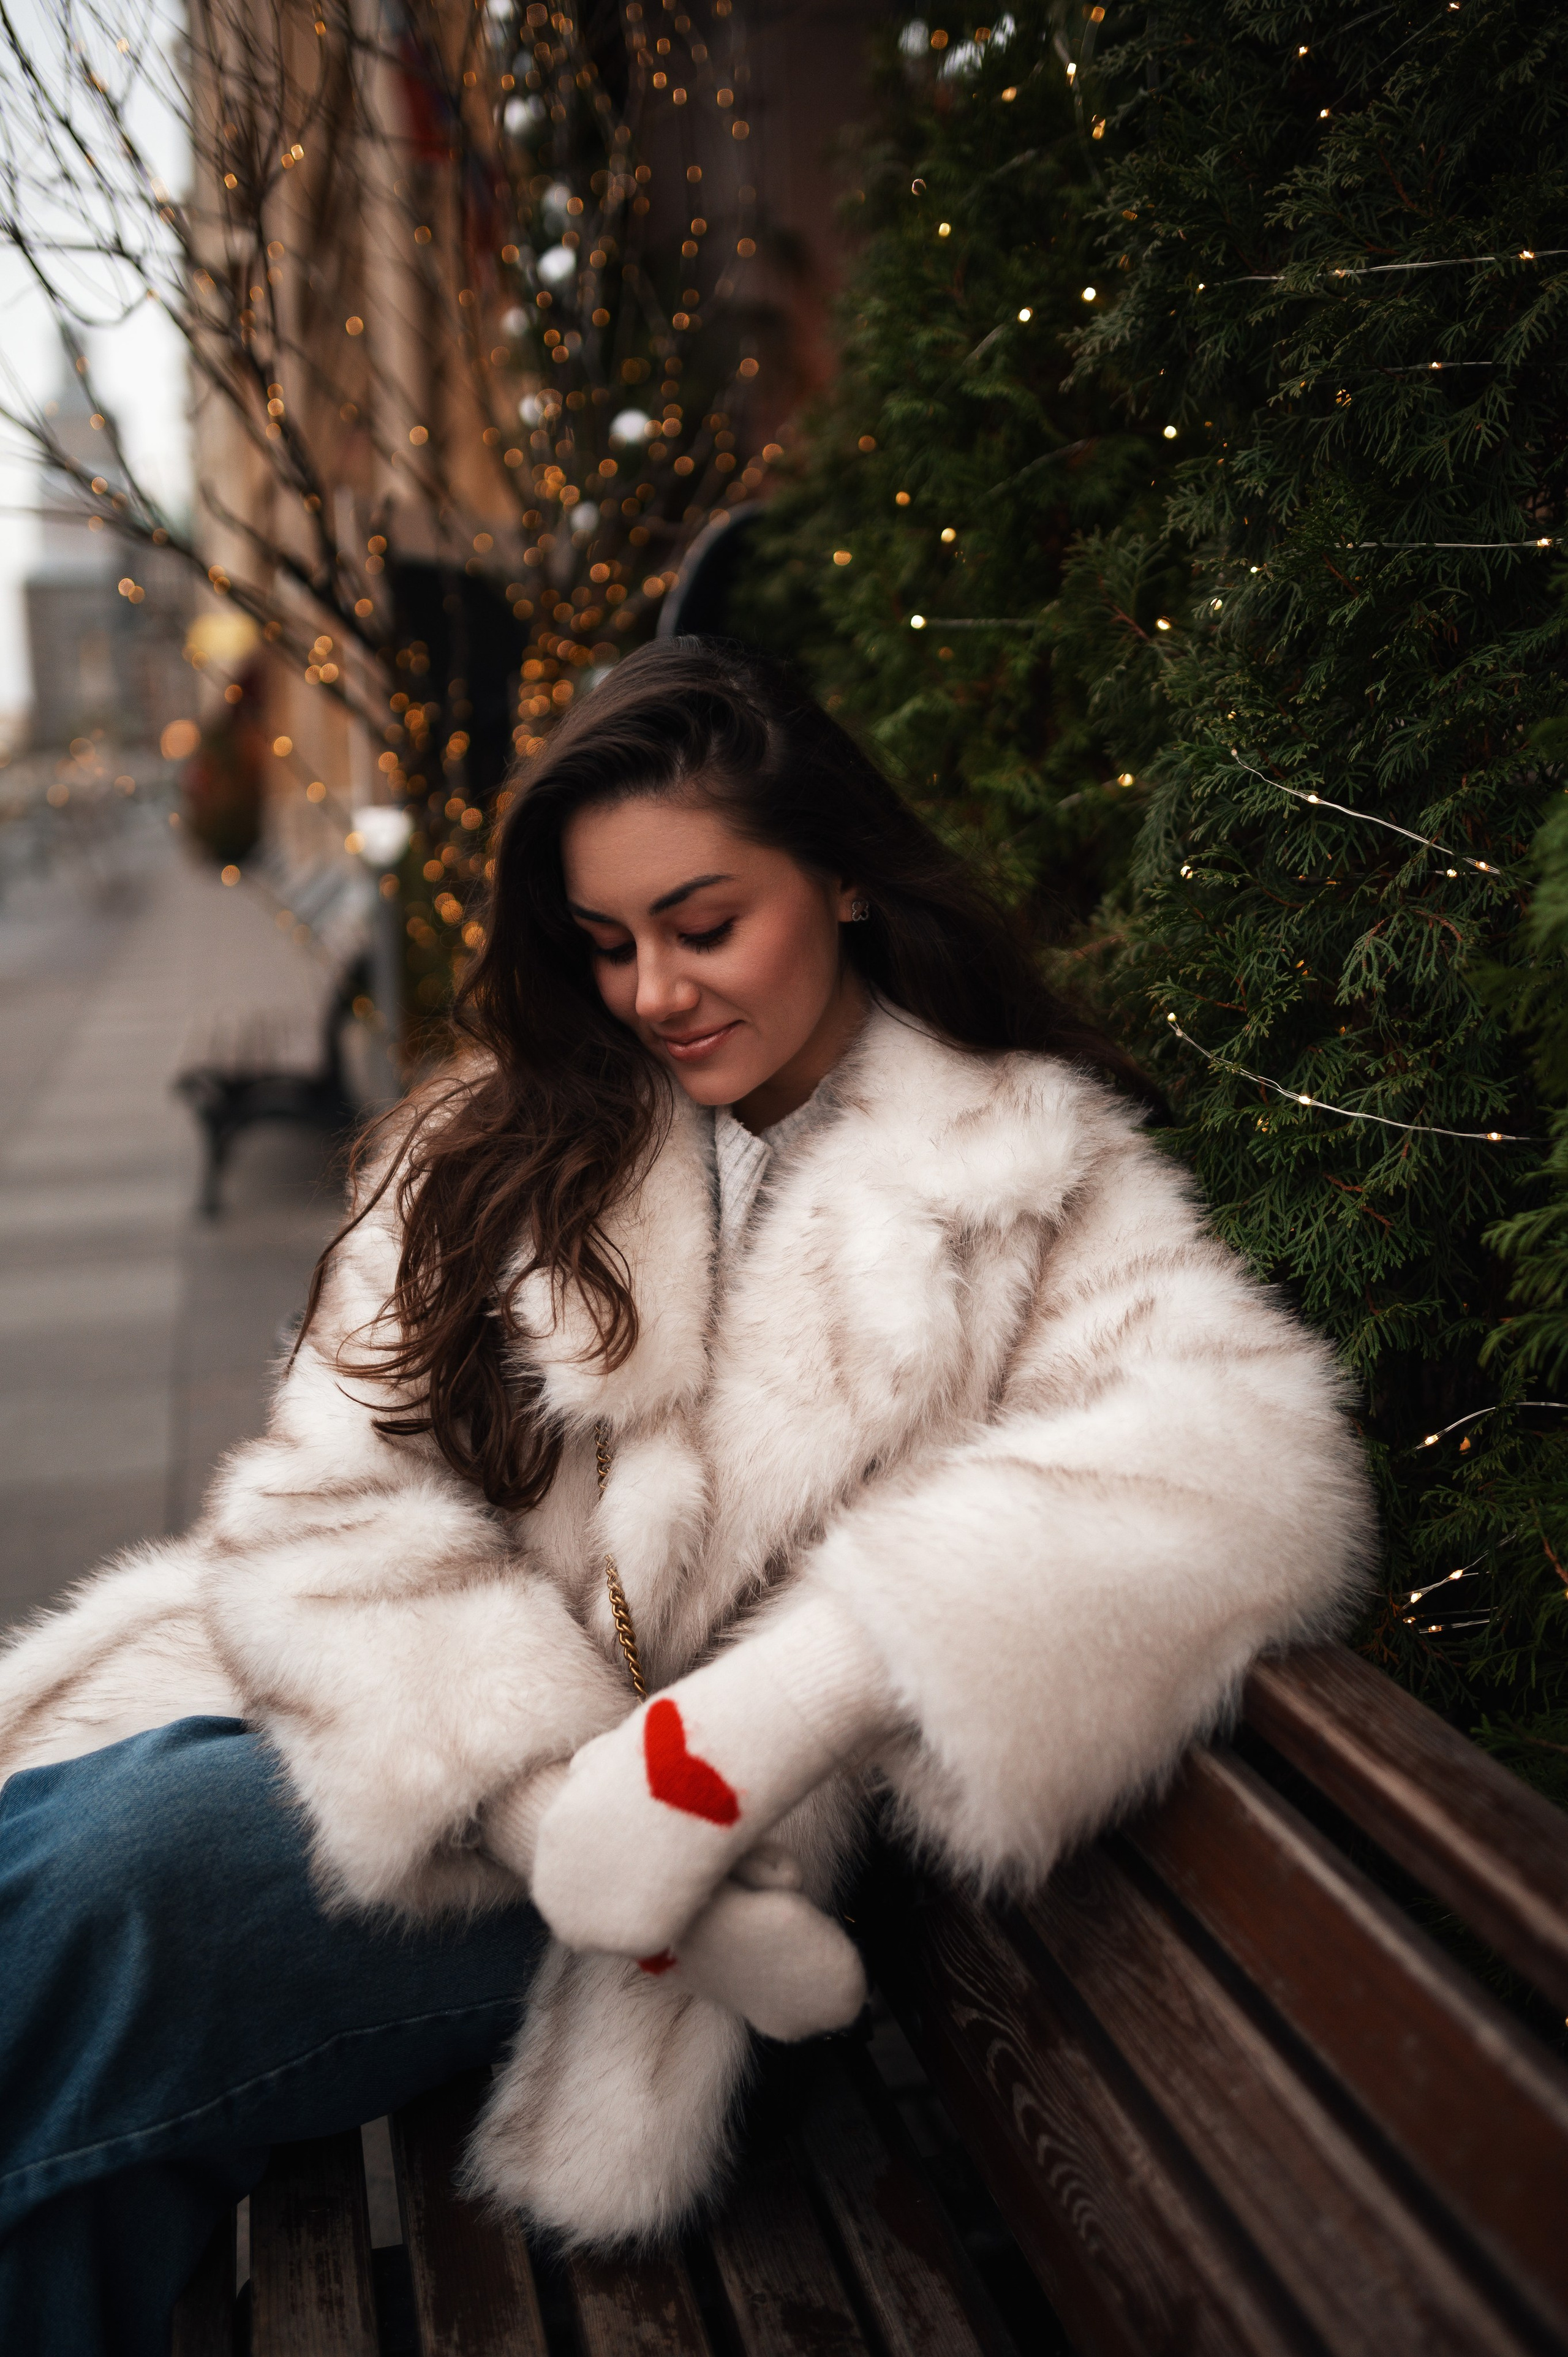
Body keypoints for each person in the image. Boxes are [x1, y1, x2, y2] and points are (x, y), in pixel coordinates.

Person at [0, 639, 1373, 2354]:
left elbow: (1242, 1458)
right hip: (416, 1765)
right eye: (606, 944)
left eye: (702, 924)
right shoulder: (498, 1137)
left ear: (846, 881)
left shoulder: (1022, 1180)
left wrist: (732, 1740)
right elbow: (320, 1502)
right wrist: (542, 1797)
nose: (653, 991)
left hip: (653, 1915)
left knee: (104, 1895)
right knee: (87, 2119)